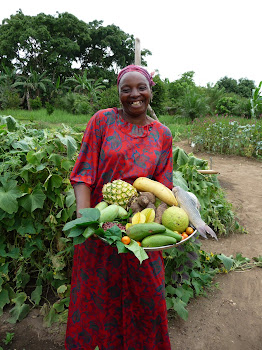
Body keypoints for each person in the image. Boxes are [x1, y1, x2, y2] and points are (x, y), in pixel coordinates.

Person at [65, 64, 173, 350]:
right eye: (126, 89)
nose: (134, 95)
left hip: (141, 225)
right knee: (97, 297)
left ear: (150, 92)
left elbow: (164, 186)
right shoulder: (102, 121)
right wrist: (85, 218)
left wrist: (165, 221)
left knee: (146, 295)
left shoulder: (162, 134)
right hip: (102, 222)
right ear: (118, 93)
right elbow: (84, 173)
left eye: (141, 88)